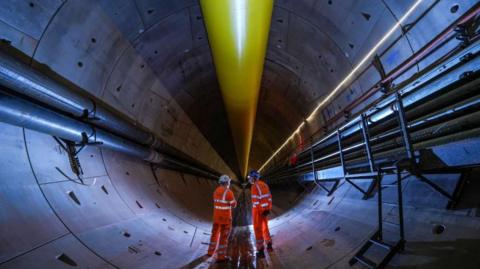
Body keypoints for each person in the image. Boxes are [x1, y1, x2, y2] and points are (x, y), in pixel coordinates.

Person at [207, 175, 237, 263]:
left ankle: (210, 252)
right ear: (227, 182)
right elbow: (233, 204)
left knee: (214, 234)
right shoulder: (229, 192)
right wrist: (234, 201)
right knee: (223, 237)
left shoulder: (216, 191)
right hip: (225, 219)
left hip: (216, 218)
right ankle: (221, 256)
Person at [248, 170, 273, 258]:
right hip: (265, 211)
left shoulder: (254, 186)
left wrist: (260, 210)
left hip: (258, 212)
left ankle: (261, 250)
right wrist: (268, 209)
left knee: (258, 229)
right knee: (265, 227)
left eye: (250, 177)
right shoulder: (264, 184)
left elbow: (256, 202)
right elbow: (269, 197)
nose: (249, 179)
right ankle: (269, 245)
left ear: (254, 178)